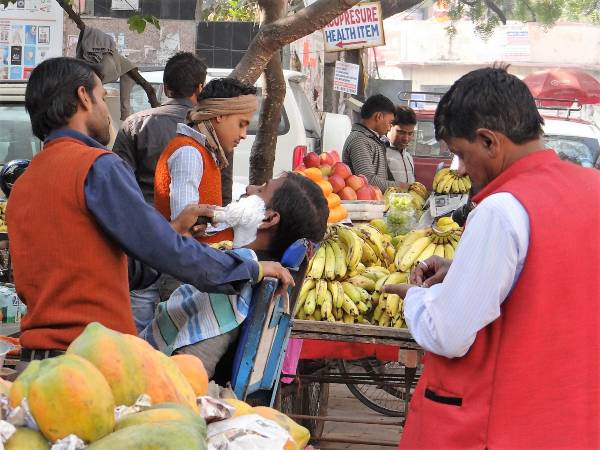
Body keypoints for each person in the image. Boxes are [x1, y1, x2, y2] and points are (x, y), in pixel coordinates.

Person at [6, 57, 293, 363]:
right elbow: (165, 250)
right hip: (93, 361)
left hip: (38, 361)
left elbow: (115, 270)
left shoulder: (23, 185)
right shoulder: (96, 166)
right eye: (103, 97)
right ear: (83, 97)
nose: (106, 112)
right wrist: (250, 268)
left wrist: (172, 231)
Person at [384, 67, 599, 448]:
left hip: (499, 424)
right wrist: (463, 270)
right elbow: (552, 279)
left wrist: (417, 296)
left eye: (461, 154)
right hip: (572, 421)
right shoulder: (591, 189)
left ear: (488, 141)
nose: (462, 170)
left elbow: (448, 335)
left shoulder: (502, 209)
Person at [142, 172, 329, 378]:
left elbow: (193, 368)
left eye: (260, 190)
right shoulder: (245, 267)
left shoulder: (235, 281)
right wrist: (179, 235)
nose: (249, 188)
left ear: (268, 218)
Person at [155, 78, 257, 244]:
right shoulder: (189, 153)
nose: (244, 134)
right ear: (220, 115)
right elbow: (189, 225)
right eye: (241, 124)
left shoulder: (203, 152)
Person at [112, 52, 207, 203]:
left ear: (166, 89)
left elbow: (118, 181)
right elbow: (222, 189)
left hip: (144, 219)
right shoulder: (212, 127)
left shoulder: (135, 124)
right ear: (200, 88)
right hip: (196, 222)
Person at [342, 94, 399, 192]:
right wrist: (401, 186)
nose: (390, 128)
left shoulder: (373, 139)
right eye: (390, 122)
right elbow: (368, 180)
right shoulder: (359, 140)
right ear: (379, 116)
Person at [385, 105, 416, 188]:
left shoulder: (408, 157)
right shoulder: (380, 153)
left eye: (410, 134)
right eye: (401, 132)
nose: (406, 139)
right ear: (390, 126)